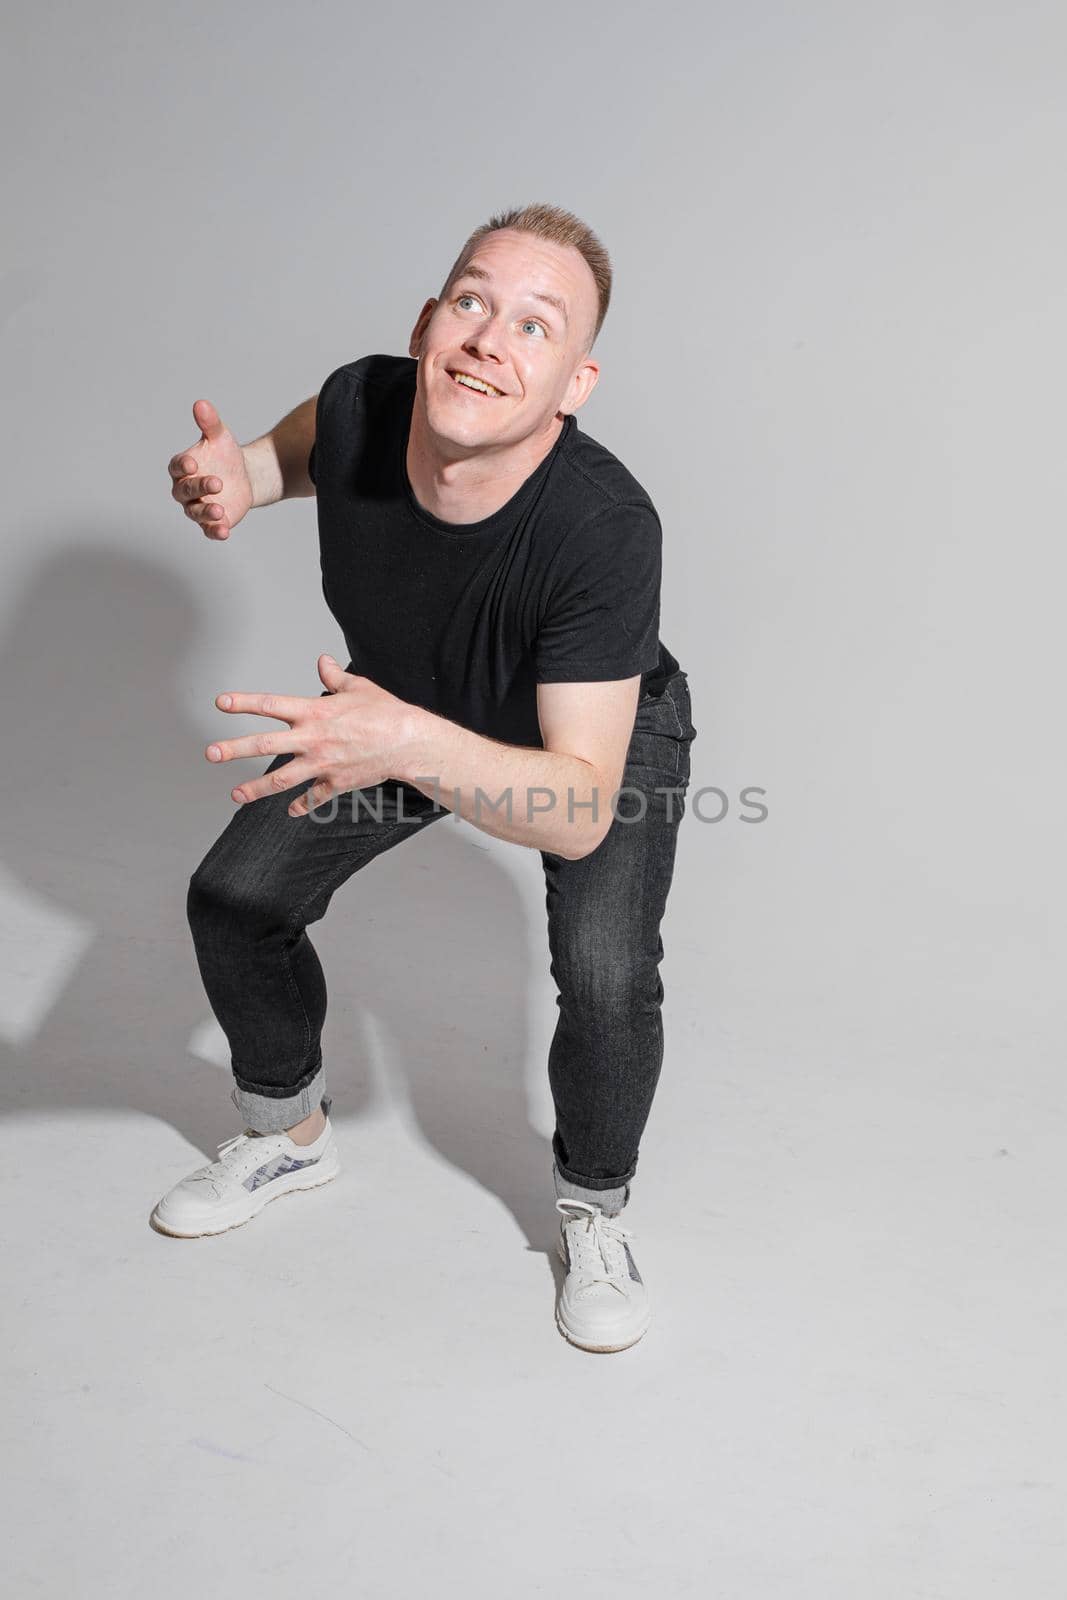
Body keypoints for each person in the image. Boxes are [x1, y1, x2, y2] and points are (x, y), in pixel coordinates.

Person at [153, 203, 697, 1354]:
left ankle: (593, 1209)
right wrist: (237, 478)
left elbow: (575, 807)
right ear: (424, 325)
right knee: (237, 899)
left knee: (604, 974)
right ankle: (287, 1136)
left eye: (535, 328)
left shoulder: (606, 529)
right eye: (471, 301)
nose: (490, 338)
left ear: (573, 383)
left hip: (589, 740)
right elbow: (296, 447)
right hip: (404, 701)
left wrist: (408, 747)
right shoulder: (363, 402)